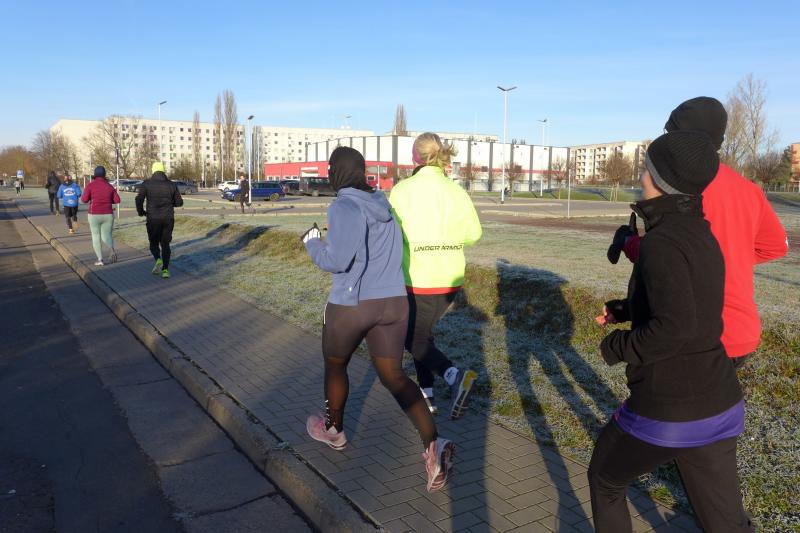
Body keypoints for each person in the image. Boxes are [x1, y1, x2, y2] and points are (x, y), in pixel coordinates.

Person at [590, 131, 753, 533]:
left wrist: (617, 346)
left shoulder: (661, 242)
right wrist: (627, 309)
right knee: (726, 524)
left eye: (646, 168)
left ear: (661, 180)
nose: (641, 176)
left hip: (670, 408)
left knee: (605, 479)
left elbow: (674, 328)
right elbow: (689, 306)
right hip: (720, 403)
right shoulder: (703, 232)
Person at [303, 146, 455, 492]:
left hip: (354, 304)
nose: (328, 174)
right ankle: (434, 446)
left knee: (335, 365)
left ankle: (334, 431)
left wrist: (312, 242)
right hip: (394, 304)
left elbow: (335, 260)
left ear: (339, 172)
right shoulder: (383, 204)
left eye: (330, 168)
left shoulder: (343, 206)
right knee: (394, 376)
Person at [607, 97, 789, 368]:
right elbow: (775, 246)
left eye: (669, 132)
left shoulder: (683, 189)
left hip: (695, 334)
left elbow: (668, 253)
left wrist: (630, 243)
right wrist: (729, 258)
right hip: (742, 330)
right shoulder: (749, 189)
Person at [389, 132, 482, 418]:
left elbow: (392, 234)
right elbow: (474, 234)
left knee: (413, 340)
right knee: (422, 336)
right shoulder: (457, 191)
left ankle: (453, 376)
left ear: (415, 157)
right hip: (450, 279)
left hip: (418, 278)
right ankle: (427, 394)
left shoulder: (402, 191)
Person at [135, 162, 183, 279]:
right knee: (165, 244)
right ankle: (165, 270)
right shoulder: (171, 184)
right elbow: (179, 202)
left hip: (153, 218)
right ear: (163, 171)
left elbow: (139, 199)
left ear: (153, 171)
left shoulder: (146, 184)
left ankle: (158, 259)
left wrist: (141, 212)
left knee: (153, 243)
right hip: (168, 218)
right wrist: (170, 203)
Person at [80, 166, 120, 266]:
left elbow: (84, 200)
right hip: (108, 214)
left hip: (94, 214)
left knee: (96, 236)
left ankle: (100, 259)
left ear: (95, 174)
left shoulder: (90, 185)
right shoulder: (109, 186)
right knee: (106, 235)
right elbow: (117, 200)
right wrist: (108, 199)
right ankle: (111, 248)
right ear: (104, 175)